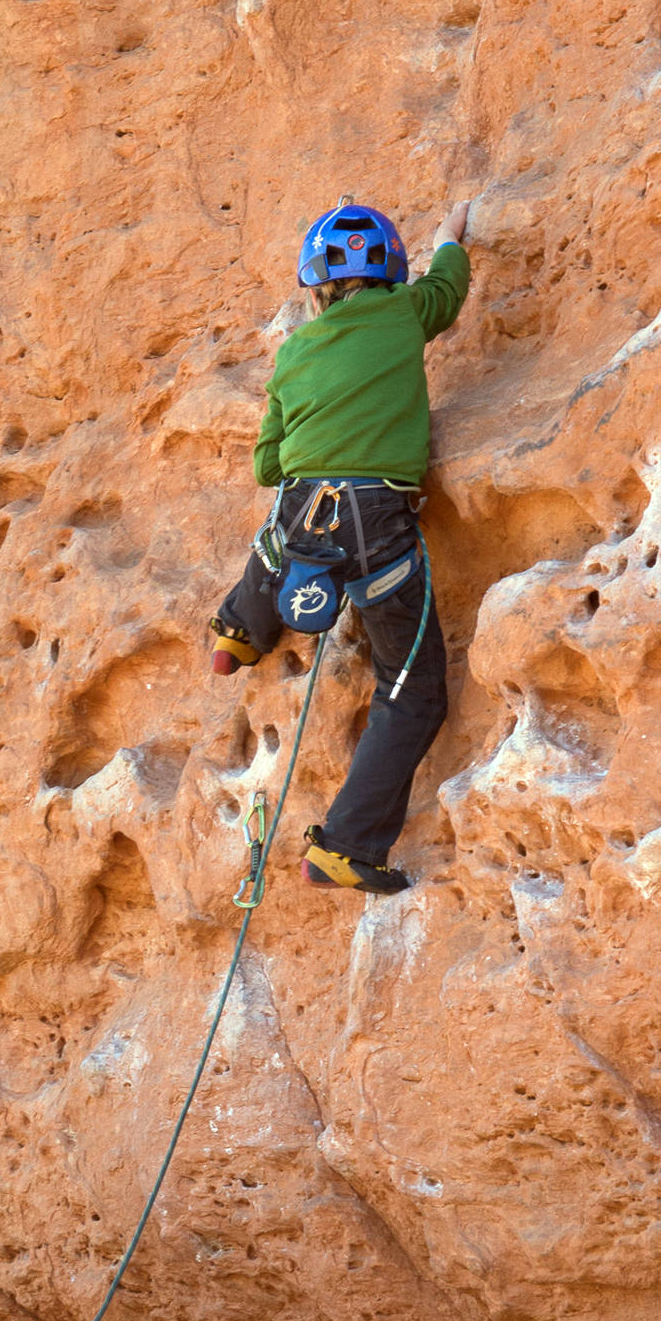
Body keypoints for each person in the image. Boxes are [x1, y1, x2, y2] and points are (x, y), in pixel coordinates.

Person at [210, 197, 473, 894]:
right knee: (412, 694)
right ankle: (345, 848)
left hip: (305, 516)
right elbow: (447, 293)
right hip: (377, 523)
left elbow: (270, 467)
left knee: (285, 526)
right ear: (390, 274)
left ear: (317, 287)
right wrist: (452, 238)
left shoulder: (294, 352)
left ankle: (240, 628)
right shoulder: (406, 313)